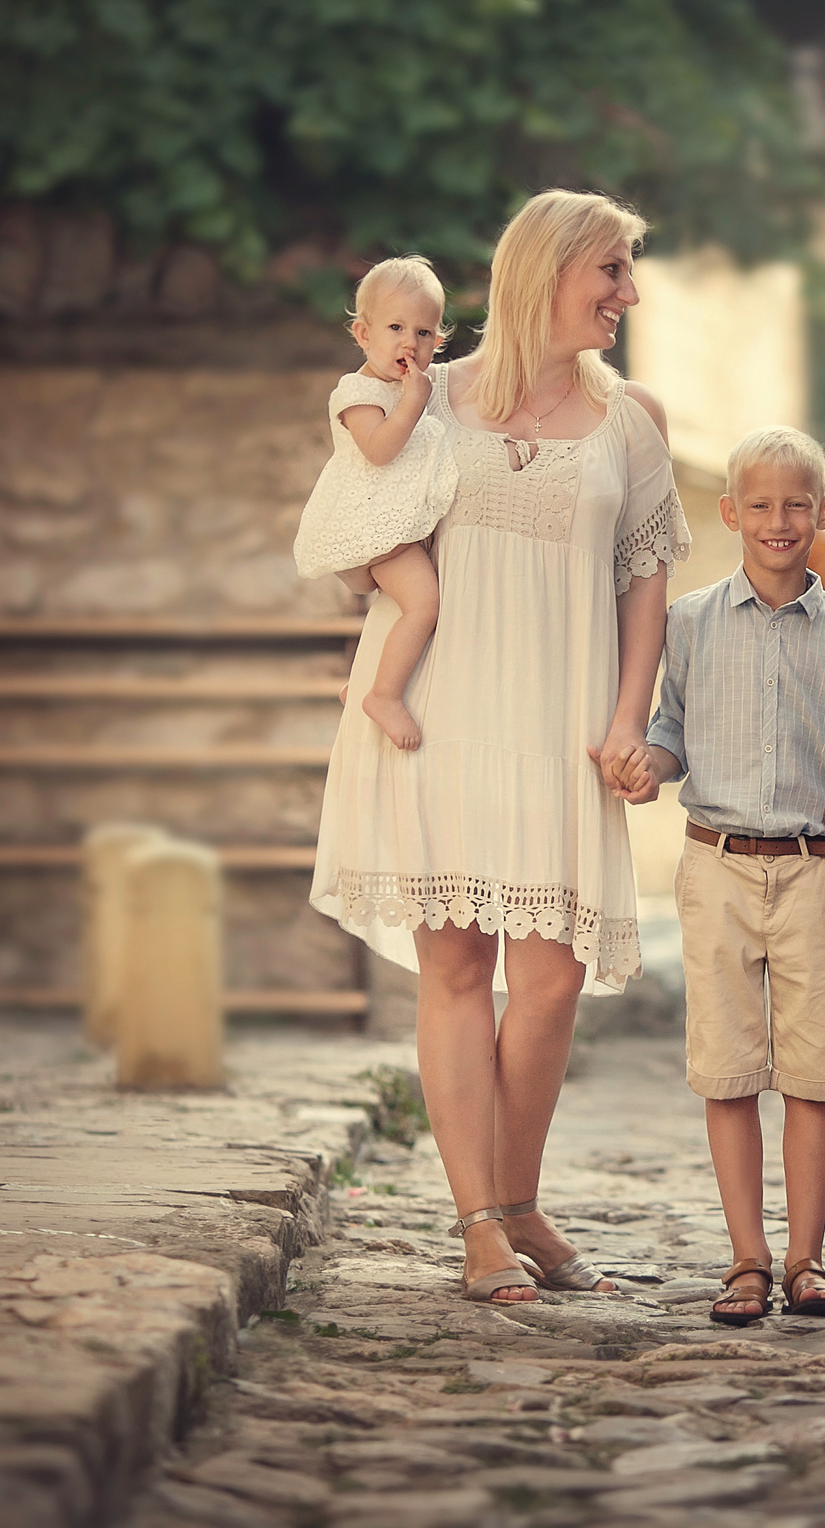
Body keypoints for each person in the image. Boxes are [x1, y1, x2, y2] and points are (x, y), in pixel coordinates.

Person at [309, 190, 690, 1304]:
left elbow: (647, 585)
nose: (627, 292)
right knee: (458, 968)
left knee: (553, 978)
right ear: (549, 270)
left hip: (563, 728)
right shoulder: (423, 402)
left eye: (627, 271)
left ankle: (517, 1199)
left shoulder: (634, 420)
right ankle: (481, 1219)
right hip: (436, 718)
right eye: (611, 269)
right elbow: (351, 533)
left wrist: (632, 720)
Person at [628, 425, 825, 1326]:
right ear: (730, 512)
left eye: (796, 504)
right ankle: (746, 1258)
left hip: (819, 878)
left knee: (816, 1073)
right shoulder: (691, 623)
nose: (779, 521)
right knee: (728, 1070)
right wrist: (649, 764)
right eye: (760, 505)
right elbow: (671, 727)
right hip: (717, 869)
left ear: (822, 511)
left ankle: (807, 1259)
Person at [291, 256, 458, 751]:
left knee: (399, 608)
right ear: (363, 335)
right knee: (424, 605)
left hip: (397, 525)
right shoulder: (357, 392)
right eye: (396, 327)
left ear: (438, 342)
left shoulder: (411, 388)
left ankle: (363, 680)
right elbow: (381, 450)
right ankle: (383, 696)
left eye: (424, 333)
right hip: (374, 527)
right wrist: (412, 401)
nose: (410, 342)